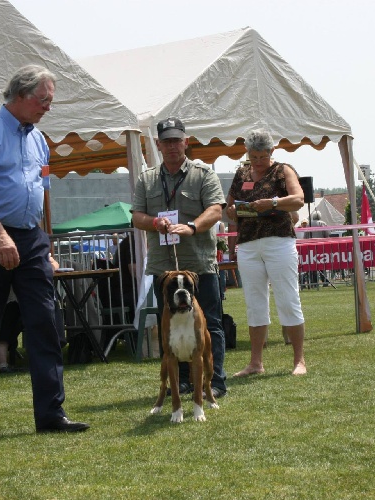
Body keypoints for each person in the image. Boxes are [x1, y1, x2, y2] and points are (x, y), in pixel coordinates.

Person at [0, 65, 89, 432]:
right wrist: (0, 236)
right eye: (42, 99)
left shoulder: (40, 141)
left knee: (45, 321)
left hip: (31, 239)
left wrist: (44, 243)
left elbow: (43, 191)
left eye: (50, 100)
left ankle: (51, 414)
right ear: (19, 95)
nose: (48, 106)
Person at [130, 117, 228, 398]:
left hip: (199, 264)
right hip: (164, 267)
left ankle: (215, 381)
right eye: (167, 141)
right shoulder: (147, 178)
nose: (173, 146)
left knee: (210, 322)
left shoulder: (203, 174)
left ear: (186, 142)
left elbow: (215, 211)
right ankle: (182, 380)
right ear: (158, 145)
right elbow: (137, 216)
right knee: (170, 325)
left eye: (177, 140)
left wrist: (192, 226)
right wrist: (154, 222)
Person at [225, 130, 307, 377]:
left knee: (288, 298)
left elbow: (299, 200)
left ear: (272, 152)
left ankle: (299, 361)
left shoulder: (283, 170)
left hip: (278, 241)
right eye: (253, 156)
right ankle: (255, 363)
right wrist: (233, 211)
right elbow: (229, 206)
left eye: (262, 156)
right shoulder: (241, 173)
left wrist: (272, 203)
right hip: (248, 244)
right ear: (247, 153)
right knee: (254, 303)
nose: (258, 161)